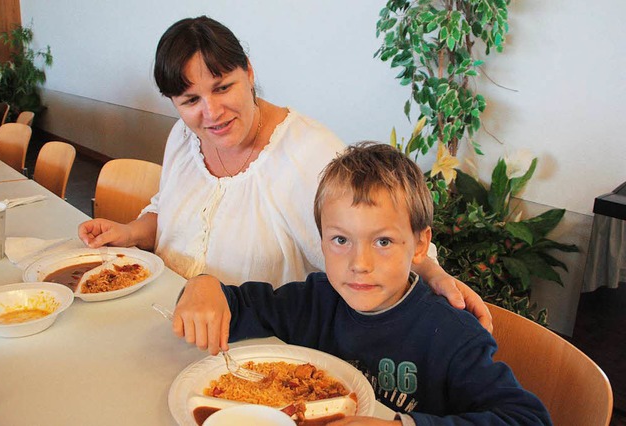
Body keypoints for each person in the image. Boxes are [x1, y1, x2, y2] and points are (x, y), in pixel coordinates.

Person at [77, 15, 492, 331]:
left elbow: (382, 230)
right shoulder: (182, 139)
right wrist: (130, 232)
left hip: (261, 348)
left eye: (223, 87)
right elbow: (169, 208)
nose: (211, 113)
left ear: (250, 73)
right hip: (171, 323)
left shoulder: (308, 153)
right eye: (190, 100)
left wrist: (435, 274)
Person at [175, 142, 551, 425]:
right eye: (341, 240)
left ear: (420, 244)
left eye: (383, 242)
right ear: (321, 241)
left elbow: (528, 419)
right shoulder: (313, 300)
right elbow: (232, 308)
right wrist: (202, 286)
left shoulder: (451, 334)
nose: (359, 264)